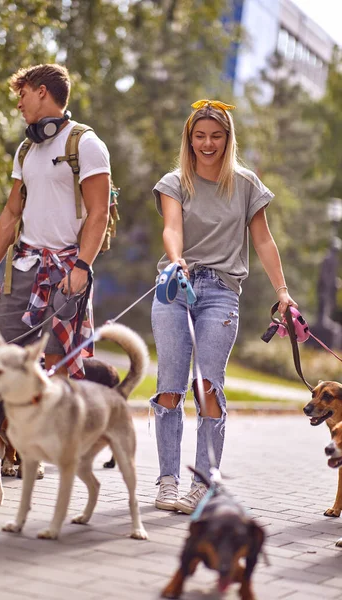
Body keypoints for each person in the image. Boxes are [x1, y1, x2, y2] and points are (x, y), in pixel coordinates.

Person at [150, 99, 297, 514]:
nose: (207, 143)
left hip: (220, 292)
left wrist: (282, 291)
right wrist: (176, 257)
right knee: (169, 386)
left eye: (216, 136)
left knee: (208, 386)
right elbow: (171, 226)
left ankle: (204, 483)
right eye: (200, 136)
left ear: (228, 138)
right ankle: (167, 480)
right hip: (175, 287)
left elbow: (263, 240)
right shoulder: (175, 181)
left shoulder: (246, 184)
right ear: (189, 139)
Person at [0, 64, 111, 476]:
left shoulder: (86, 145)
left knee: (51, 366)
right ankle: (0, 447)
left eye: (22, 95)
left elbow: (99, 212)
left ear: (42, 92)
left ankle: (37, 452)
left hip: (66, 270)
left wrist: (82, 266)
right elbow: (10, 213)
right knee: (1, 359)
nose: (18, 103)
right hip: (25, 266)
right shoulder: (26, 150)